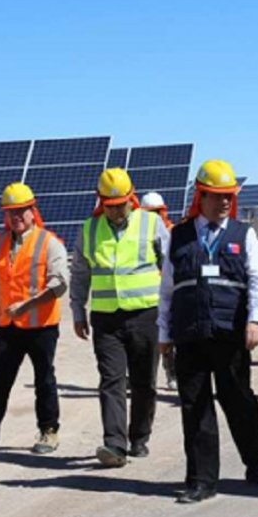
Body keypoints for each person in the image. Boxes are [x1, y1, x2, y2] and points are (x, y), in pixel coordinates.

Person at [158, 159, 258, 504]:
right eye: (218, 196)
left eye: (229, 197)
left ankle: (253, 458)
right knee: (195, 406)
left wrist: (256, 319)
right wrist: (164, 334)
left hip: (230, 332)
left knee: (238, 401)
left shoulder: (243, 234)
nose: (225, 202)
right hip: (190, 333)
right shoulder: (179, 236)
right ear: (201, 195)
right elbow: (166, 290)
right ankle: (202, 480)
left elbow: (257, 280)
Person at [0, 183, 69, 460]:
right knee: (0, 379)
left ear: (33, 211)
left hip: (42, 326)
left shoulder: (50, 243)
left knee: (44, 378)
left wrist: (28, 305)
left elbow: (59, 285)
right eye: (11, 212)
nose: (16, 217)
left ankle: (49, 430)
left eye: (21, 211)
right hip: (8, 327)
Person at [70, 169, 168, 468]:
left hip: (145, 314)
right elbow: (80, 273)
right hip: (106, 319)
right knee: (111, 381)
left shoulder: (151, 224)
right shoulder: (89, 229)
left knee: (144, 382)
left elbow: (171, 268)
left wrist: (172, 312)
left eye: (121, 204)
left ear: (131, 199)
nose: (115, 210)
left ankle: (139, 437)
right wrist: (78, 310)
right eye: (109, 205)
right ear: (101, 202)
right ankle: (114, 443)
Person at [141, 191, 177, 390]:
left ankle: (172, 372)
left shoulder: (175, 232)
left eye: (157, 212)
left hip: (171, 291)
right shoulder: (138, 233)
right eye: (150, 212)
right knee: (149, 340)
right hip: (147, 294)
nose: (154, 217)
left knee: (172, 335)